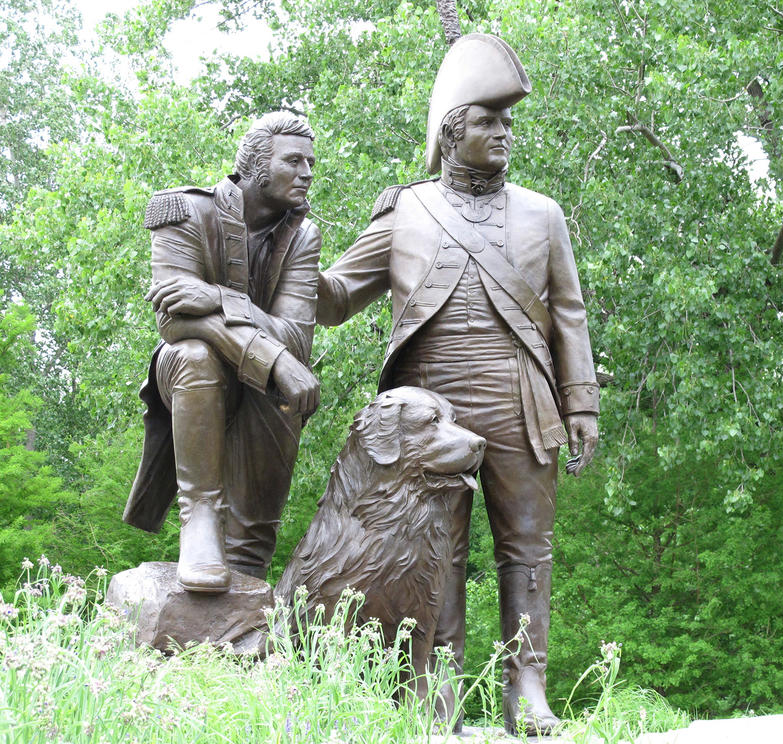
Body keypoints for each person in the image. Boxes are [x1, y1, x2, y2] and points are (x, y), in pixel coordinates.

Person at [316, 34, 600, 735]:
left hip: (519, 394)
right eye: (487, 122)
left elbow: (569, 311)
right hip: (427, 406)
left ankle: (526, 692)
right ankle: (432, 694)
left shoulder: (544, 214)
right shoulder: (404, 211)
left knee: (529, 547)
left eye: (507, 124)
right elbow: (333, 298)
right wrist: (286, 243)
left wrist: (581, 400)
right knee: (434, 550)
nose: (503, 134)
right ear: (450, 135)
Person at [123, 112, 321, 593]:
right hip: (189, 376)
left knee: (253, 546)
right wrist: (270, 355)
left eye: (311, 162)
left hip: (264, 387)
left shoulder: (304, 236)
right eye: (293, 160)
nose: (307, 172)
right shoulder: (183, 211)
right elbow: (172, 318)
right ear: (255, 165)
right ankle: (199, 520)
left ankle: (246, 598)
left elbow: (295, 338)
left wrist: (218, 299)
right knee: (195, 353)